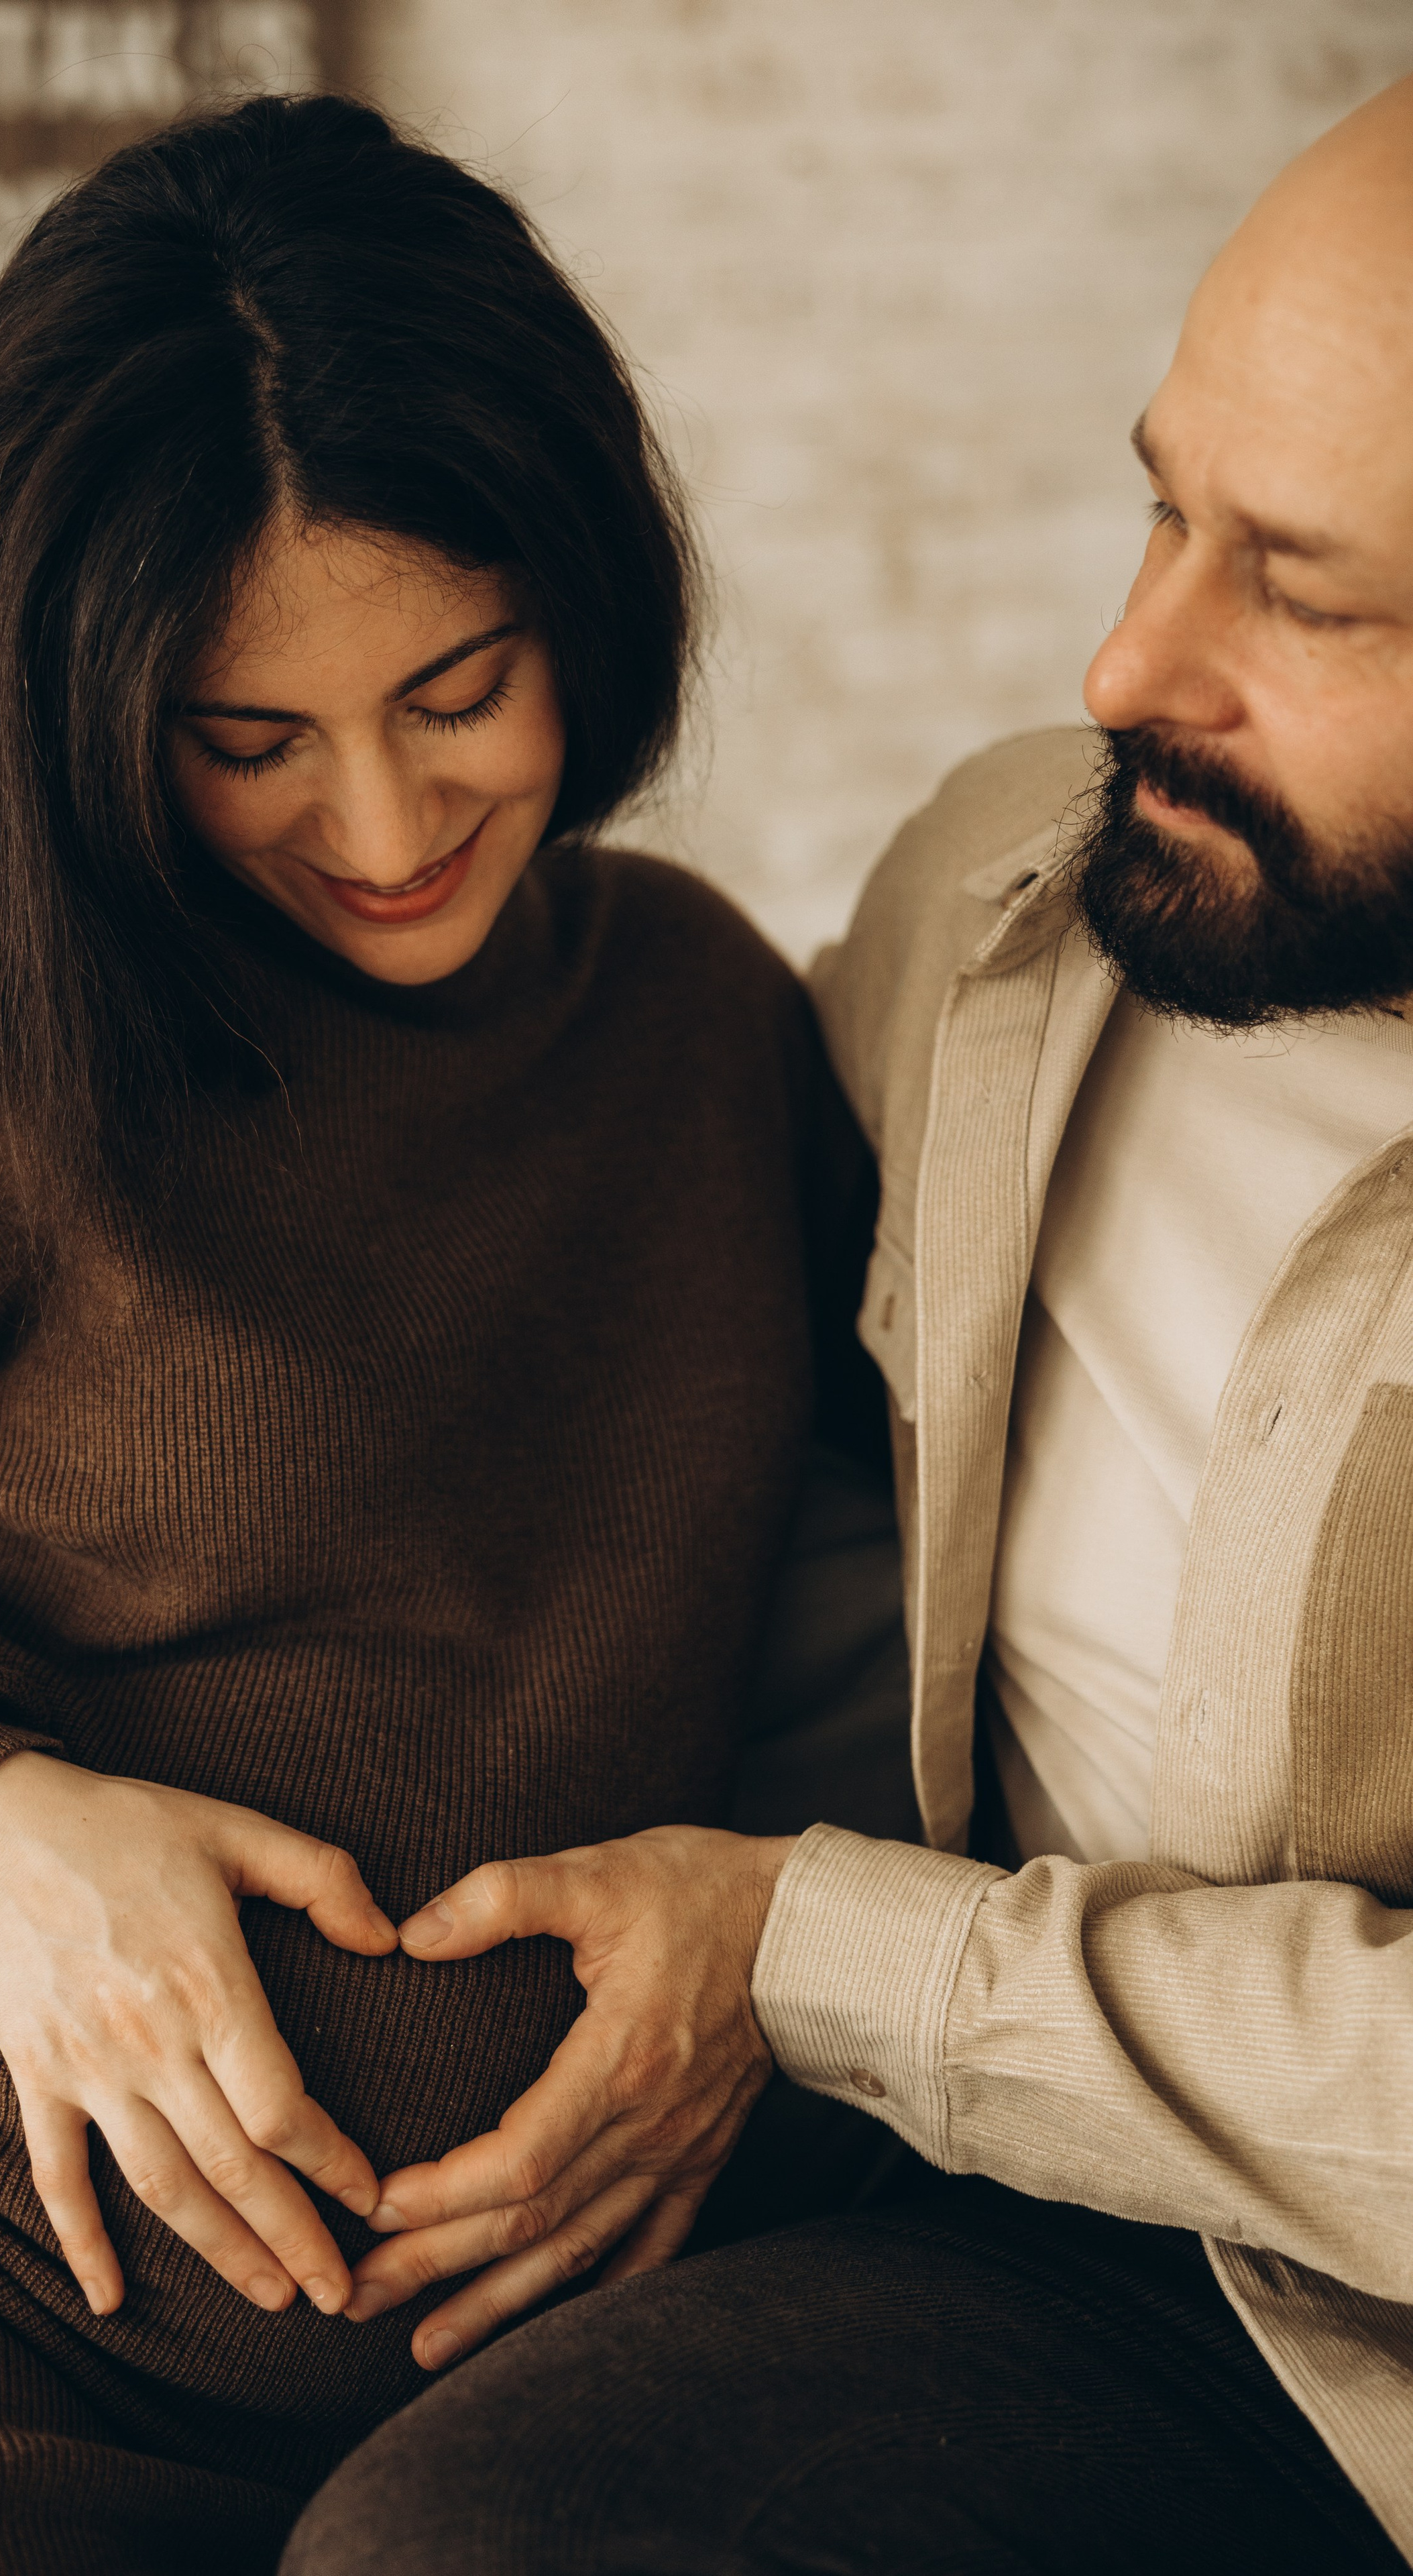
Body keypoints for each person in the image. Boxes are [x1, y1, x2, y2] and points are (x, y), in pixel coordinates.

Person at [0, 93, 882, 2573]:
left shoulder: (704, 1030)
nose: (380, 822)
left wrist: (772, 1943)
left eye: (460, 686)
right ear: (83, 704)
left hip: (542, 2369)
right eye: (249, 742)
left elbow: (886, 1638)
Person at [285, 72, 1413, 2576]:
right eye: (1165, 506)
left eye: (1307, 595)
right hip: (1110, 2267)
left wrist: (820, 1952)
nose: (1136, 657)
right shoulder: (1029, 903)